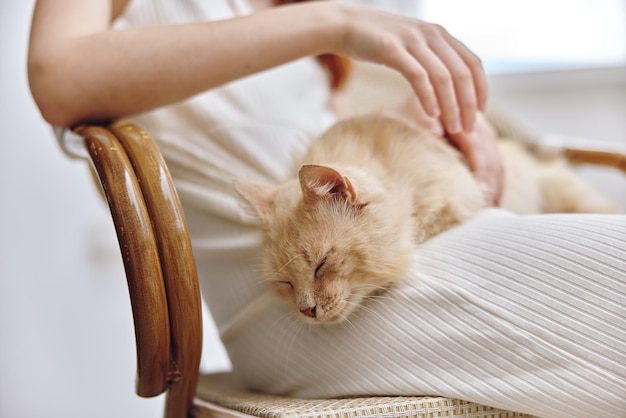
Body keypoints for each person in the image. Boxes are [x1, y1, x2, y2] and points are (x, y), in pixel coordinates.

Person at [28, 1, 625, 417]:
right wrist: (334, 21)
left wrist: (433, 131)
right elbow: (56, 76)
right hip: (281, 309)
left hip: (382, 245)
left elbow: (340, 155)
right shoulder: (320, 20)